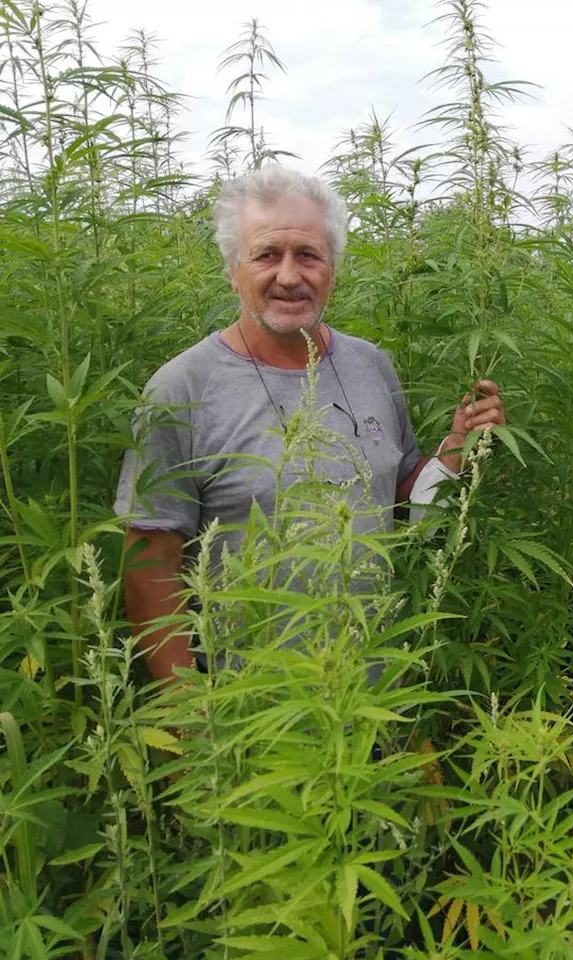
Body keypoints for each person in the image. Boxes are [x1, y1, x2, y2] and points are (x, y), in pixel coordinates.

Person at [115, 166, 505, 684]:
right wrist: (190, 720)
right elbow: (150, 565)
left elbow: (400, 502)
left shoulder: (371, 366)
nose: (289, 276)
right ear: (233, 269)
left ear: (333, 268)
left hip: (371, 696)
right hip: (248, 710)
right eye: (266, 255)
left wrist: (457, 446)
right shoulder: (180, 389)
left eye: (308, 255)